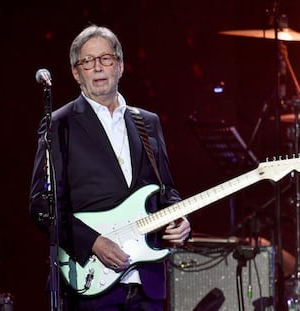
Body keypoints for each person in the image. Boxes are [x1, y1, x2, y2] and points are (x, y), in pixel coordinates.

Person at [29, 24, 191, 311]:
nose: (98, 68)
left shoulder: (147, 122)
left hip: (147, 282)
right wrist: (93, 242)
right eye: (88, 61)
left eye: (106, 59)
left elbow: (167, 190)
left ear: (120, 66)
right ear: (76, 73)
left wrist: (179, 220)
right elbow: (42, 204)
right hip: (91, 283)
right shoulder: (59, 124)